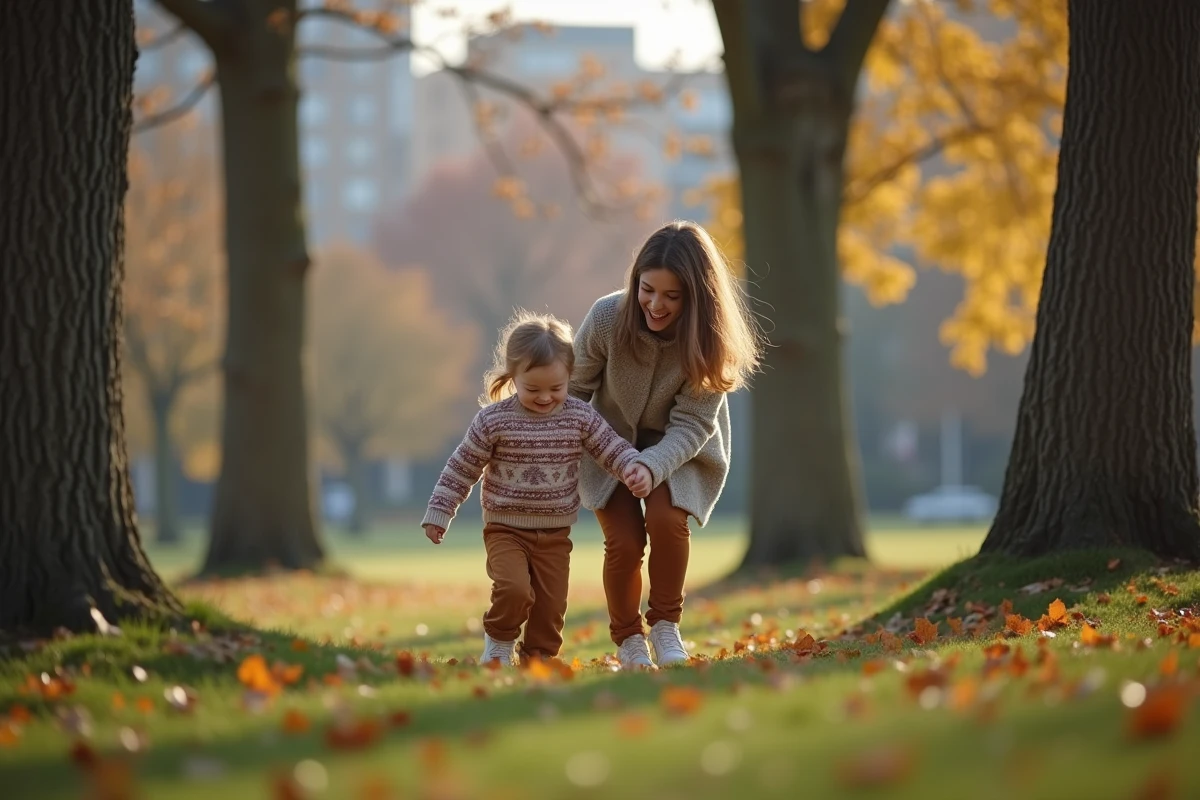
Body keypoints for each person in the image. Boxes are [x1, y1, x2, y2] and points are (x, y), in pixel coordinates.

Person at [571, 220, 763, 669]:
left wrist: (652, 465)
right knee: (623, 541)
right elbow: (574, 394)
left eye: (672, 296)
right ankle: (628, 639)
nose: (655, 304)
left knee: (666, 521)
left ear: (696, 297)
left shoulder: (710, 342)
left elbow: (694, 423)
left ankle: (665, 625)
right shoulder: (605, 318)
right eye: (647, 289)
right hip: (605, 443)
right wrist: (606, 454)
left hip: (680, 448)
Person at [422, 311, 649, 667]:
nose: (545, 397)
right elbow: (462, 466)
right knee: (513, 590)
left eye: (556, 388)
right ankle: (498, 643)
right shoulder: (493, 420)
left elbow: (610, 447)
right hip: (505, 529)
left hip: (555, 533)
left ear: (569, 376)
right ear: (513, 377)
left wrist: (634, 467)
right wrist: (440, 511)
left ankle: (538, 659)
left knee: (551, 606)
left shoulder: (579, 416)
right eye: (533, 389)